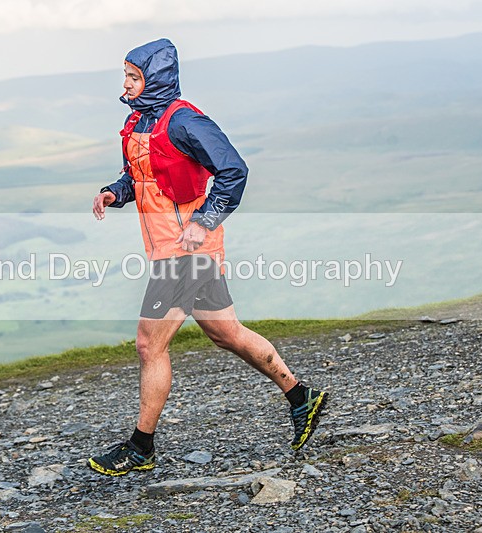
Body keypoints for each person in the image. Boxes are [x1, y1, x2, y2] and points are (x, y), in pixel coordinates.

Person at [88, 38, 327, 476]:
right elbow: (140, 176)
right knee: (226, 333)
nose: (125, 83)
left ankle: (140, 448)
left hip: (188, 252)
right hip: (169, 248)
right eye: (125, 74)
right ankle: (301, 396)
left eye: (133, 76)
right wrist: (114, 192)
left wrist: (205, 219)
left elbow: (234, 170)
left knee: (148, 344)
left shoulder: (186, 123)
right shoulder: (139, 121)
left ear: (154, 79)